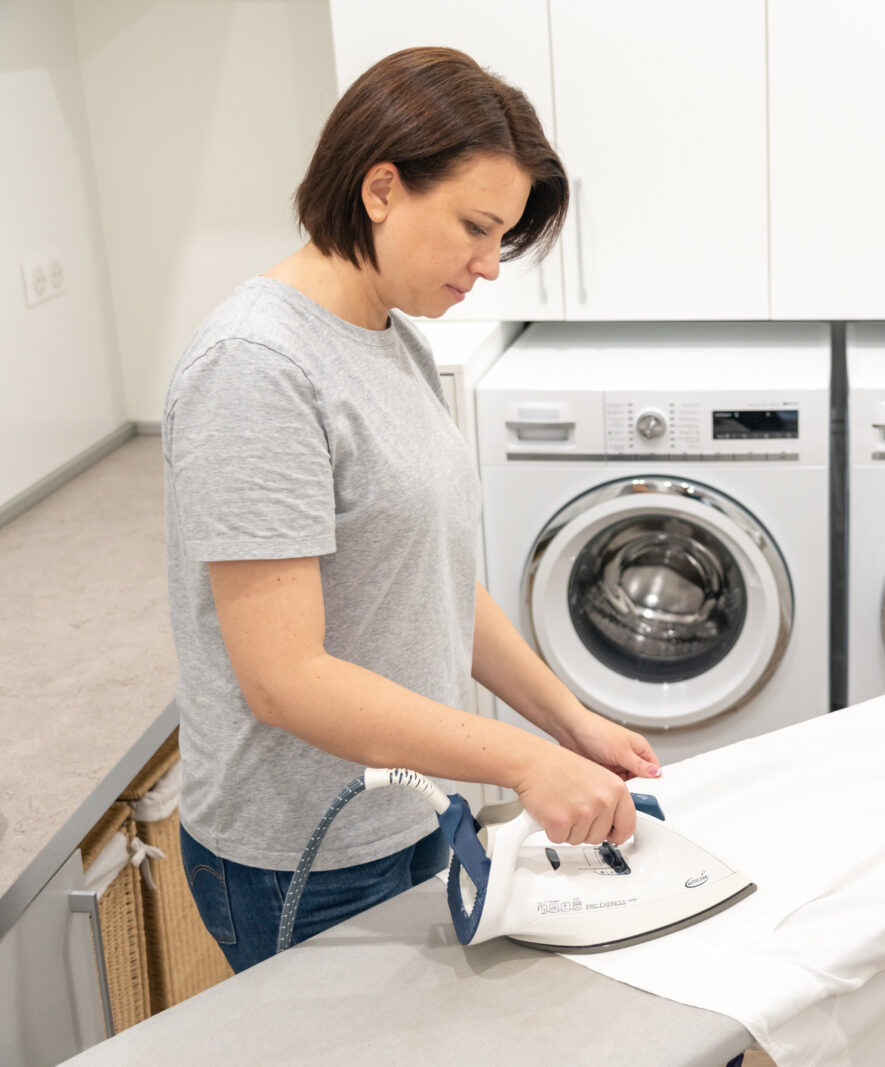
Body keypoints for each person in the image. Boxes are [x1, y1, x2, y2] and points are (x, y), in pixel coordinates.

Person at [162, 46, 660, 973]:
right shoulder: (257, 369)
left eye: (501, 238)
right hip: (304, 857)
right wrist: (520, 762)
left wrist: (569, 721)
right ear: (381, 186)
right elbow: (286, 678)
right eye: (476, 227)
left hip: (415, 808)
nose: (488, 265)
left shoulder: (393, 340)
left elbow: (433, 581)